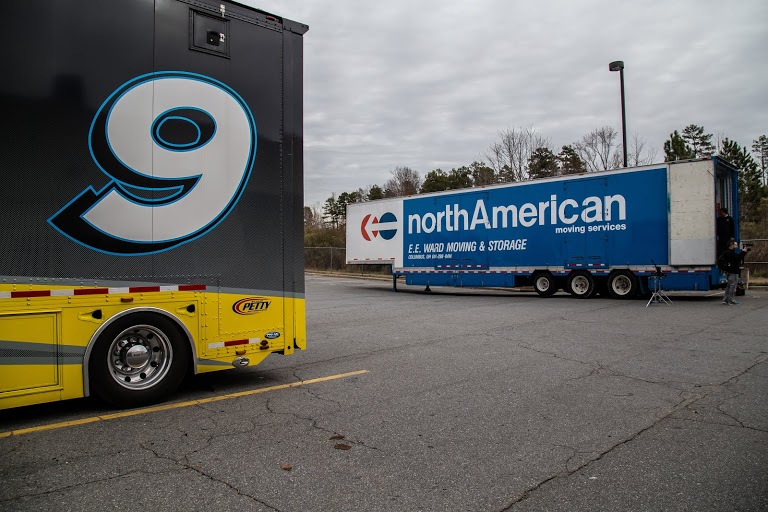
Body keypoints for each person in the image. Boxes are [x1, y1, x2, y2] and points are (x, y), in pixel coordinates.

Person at [718, 238, 741, 305]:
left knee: (729, 285)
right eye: (735, 244)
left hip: (729, 271)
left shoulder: (727, 253)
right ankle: (731, 300)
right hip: (733, 271)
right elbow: (738, 259)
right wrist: (743, 253)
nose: (736, 246)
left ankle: (725, 299)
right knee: (733, 285)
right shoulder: (730, 253)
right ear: (731, 245)